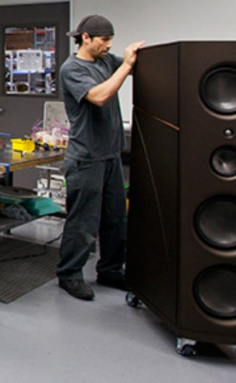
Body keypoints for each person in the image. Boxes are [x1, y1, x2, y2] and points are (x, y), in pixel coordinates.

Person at [56, 15, 144, 301]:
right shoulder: (72, 69)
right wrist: (126, 65)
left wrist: (138, 56)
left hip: (110, 155)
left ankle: (111, 270)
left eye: (111, 40)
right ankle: (69, 274)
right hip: (86, 157)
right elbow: (99, 96)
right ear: (86, 38)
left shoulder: (105, 61)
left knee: (115, 220)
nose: (109, 46)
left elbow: (135, 66)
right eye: (104, 40)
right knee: (83, 223)